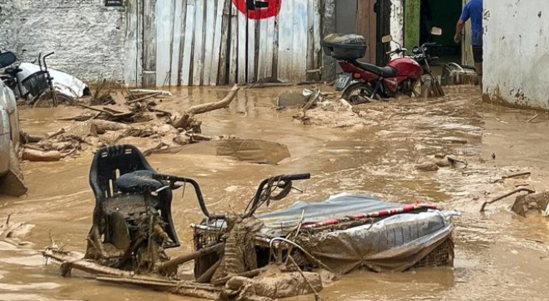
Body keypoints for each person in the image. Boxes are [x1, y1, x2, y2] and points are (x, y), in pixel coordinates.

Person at [455, 0, 483, 86]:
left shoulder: (470, 5)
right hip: (489, 37)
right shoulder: (488, 3)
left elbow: (460, 23)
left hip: (476, 38)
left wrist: (457, 35)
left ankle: (480, 83)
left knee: (478, 61)